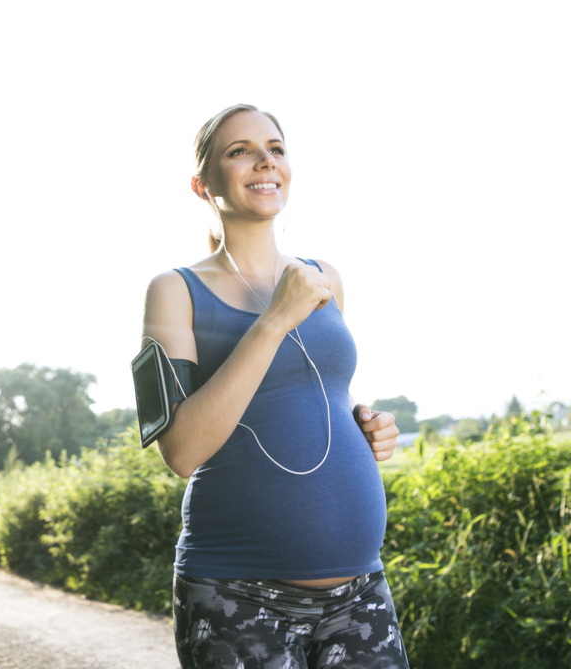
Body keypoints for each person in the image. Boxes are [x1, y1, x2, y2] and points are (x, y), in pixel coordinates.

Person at [141, 104, 409, 668]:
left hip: (360, 592)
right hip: (236, 595)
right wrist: (273, 320)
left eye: (276, 148)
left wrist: (368, 428)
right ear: (202, 183)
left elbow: (316, 393)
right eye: (240, 151)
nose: (265, 161)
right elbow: (181, 451)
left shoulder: (324, 277)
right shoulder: (174, 291)